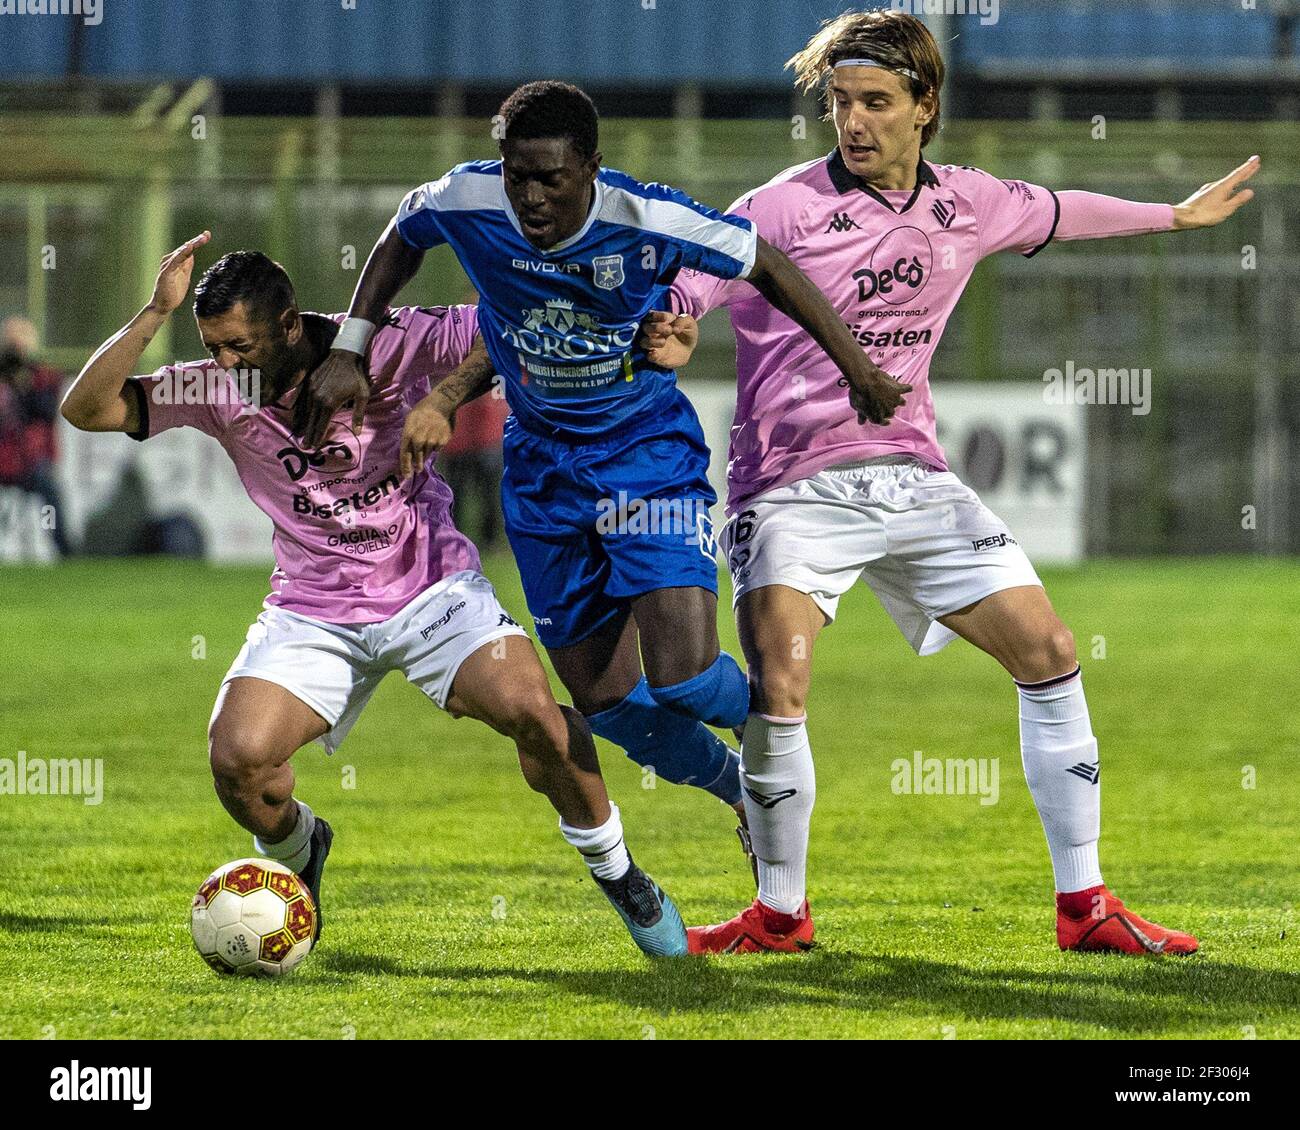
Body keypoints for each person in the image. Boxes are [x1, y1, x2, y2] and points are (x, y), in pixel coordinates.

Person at [644, 8, 1256, 955]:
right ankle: (778, 913)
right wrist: (677, 320)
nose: (853, 121)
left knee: (1050, 650)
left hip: (917, 480)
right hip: (793, 488)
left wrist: (1174, 213)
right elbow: (694, 277)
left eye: (876, 101)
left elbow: (1058, 209)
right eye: (840, 102)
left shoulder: (966, 203)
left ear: (926, 106)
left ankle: (1085, 906)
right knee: (782, 679)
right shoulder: (779, 208)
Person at [295, 81, 907, 877]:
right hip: (543, 474)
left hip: (645, 460)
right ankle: (741, 790)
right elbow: (402, 237)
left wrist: (857, 370)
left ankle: (774, 716)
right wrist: (350, 344)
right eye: (519, 175)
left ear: (591, 167)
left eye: (551, 178)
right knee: (608, 705)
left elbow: (768, 264)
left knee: (683, 679)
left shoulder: (649, 219)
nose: (531, 197)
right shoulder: (467, 197)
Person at [60, 234, 692, 957]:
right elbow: (88, 408)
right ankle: (304, 854)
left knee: (536, 717)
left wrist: (456, 393)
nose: (226, 366)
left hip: (430, 587)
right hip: (312, 607)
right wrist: (151, 313)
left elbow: (513, 321)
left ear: (291, 326)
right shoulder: (210, 388)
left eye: (239, 347)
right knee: (238, 763)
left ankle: (622, 877)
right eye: (214, 347)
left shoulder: (392, 343)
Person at [0, 315, 70, 555]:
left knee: (49, 489)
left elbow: (46, 412)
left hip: (31, 461)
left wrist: (23, 383)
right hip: (4, 458)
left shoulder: (43, 376)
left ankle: (64, 551)